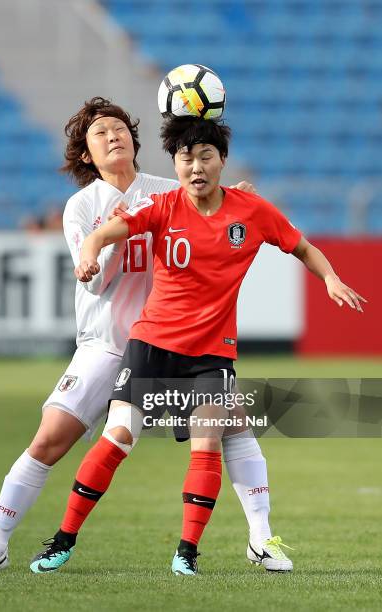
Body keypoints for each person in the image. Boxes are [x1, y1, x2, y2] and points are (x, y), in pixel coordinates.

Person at [29, 115, 366, 576]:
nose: (195, 166)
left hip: (211, 352)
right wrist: (89, 250)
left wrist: (331, 278)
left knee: (207, 442)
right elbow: (108, 232)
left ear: (222, 161)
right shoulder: (163, 205)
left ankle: (187, 551)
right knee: (119, 436)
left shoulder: (251, 210)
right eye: (185, 158)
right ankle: (63, 540)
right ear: (175, 164)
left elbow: (302, 246)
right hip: (152, 344)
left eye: (206, 156)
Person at [0, 97, 257, 571]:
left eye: (119, 128)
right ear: (86, 155)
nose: (113, 136)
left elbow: (211, 209)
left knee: (231, 430)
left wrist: (232, 195)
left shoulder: (166, 189)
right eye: (100, 133)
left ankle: (262, 539)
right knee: (49, 441)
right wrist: (122, 227)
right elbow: (93, 279)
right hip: (107, 346)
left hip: (172, 345)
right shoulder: (82, 207)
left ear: (134, 139)